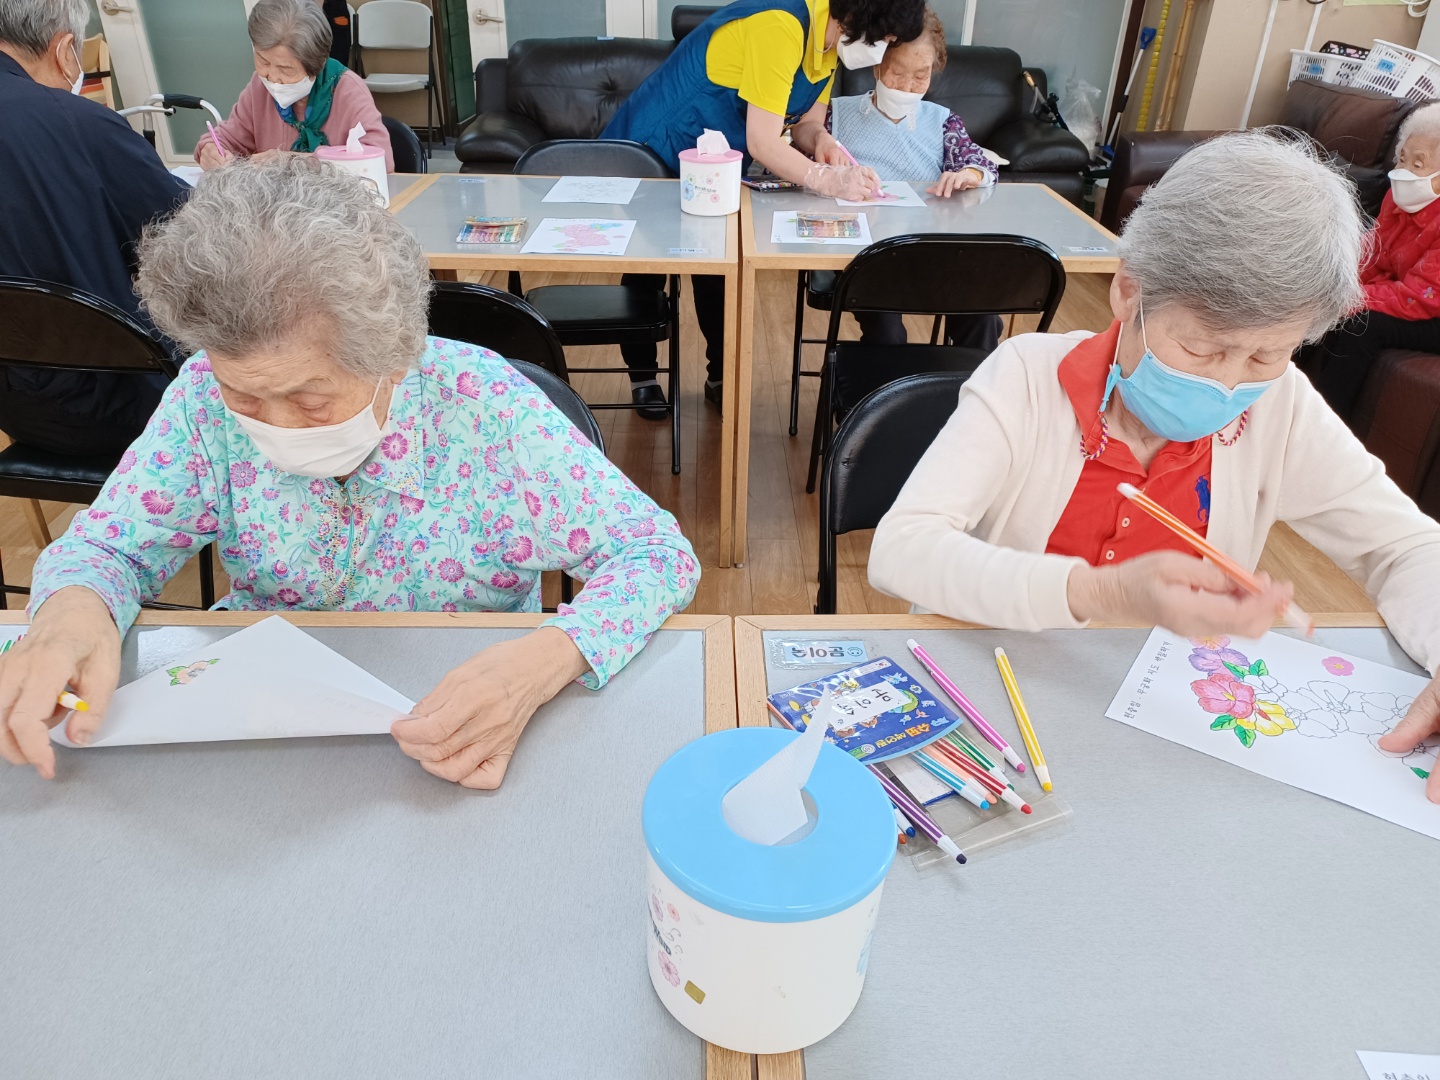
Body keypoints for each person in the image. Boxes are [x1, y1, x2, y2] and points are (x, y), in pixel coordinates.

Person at [0, 156, 699, 789]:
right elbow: (110, 547)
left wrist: (546, 657)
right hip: (260, 715)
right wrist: (71, 612)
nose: (274, 424)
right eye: (245, 395)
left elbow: (655, 554)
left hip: (456, 713)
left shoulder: (488, 412)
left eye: (311, 399)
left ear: (393, 354)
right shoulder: (202, 399)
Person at [866, 131, 1440, 804]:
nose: (1230, 383)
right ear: (1127, 291)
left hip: (1169, 732)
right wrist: (1098, 593)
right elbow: (903, 551)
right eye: (1201, 348)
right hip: (993, 704)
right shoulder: (1025, 379)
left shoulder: (1280, 406)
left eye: (1267, 355)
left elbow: (1405, 546)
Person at [601, 0, 926, 418]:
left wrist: (822, 142)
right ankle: (643, 376)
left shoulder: (828, 46)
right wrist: (828, 180)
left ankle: (719, 376)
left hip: (714, 161)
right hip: (658, 145)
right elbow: (763, 143)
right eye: (883, 37)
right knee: (649, 266)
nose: (881, 48)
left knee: (717, 267)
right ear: (860, 18)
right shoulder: (780, 27)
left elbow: (805, 123)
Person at [0, 0, 188, 457]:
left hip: (12, 406)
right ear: (64, 50)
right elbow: (189, 232)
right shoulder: (78, 123)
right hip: (125, 402)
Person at [825, 8, 1001, 350]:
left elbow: (981, 164)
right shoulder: (836, 116)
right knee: (887, 335)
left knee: (982, 316)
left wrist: (968, 175)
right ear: (876, 66)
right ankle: (888, 384)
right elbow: (799, 170)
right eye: (897, 73)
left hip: (933, 253)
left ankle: (970, 383)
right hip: (865, 256)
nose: (907, 87)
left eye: (921, 76)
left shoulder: (943, 121)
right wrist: (835, 176)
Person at [1304, 102, 1440, 421]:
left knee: (1362, 324)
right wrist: (1336, 283)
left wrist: (1356, 298)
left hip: (1433, 308)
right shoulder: (1400, 198)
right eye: (1402, 159)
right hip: (1411, 294)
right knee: (1321, 294)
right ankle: (1279, 384)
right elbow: (1373, 253)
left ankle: (1326, 422)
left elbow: (1422, 295)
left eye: (1418, 164)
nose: (1403, 172)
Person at [196, 0, 391, 171]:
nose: (272, 77)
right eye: (263, 61)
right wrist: (211, 150)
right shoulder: (259, 87)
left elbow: (381, 161)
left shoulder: (347, 90)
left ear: (316, 66)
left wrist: (295, 161)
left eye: (286, 69)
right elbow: (228, 138)